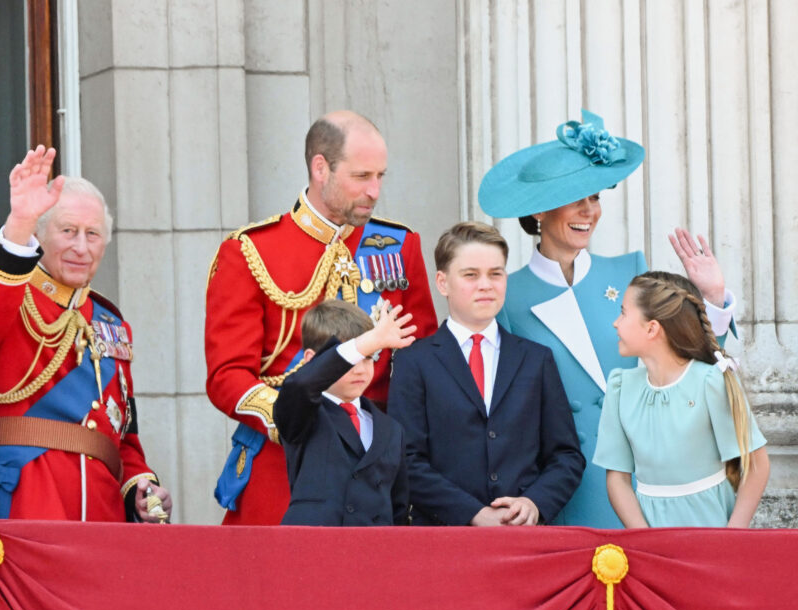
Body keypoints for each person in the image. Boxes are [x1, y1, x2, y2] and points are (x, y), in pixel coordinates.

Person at [478, 109, 736, 528]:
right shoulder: (507, 296)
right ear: (538, 211)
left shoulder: (629, 272)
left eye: (595, 196)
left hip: (650, 479)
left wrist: (711, 298)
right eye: (575, 198)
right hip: (568, 491)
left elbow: (691, 365)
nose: (589, 211)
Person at [206, 110, 439, 525]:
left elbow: (419, 361)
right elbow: (227, 376)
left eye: (381, 176)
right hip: (285, 464)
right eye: (362, 176)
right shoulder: (249, 251)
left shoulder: (399, 246)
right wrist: (296, 423)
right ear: (320, 168)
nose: (375, 190)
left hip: (374, 469)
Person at [0, 146, 171, 522]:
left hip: (100, 517)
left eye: (93, 235)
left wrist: (139, 487)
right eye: (68, 231)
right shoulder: (11, 297)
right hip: (24, 504)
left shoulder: (111, 324)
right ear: (39, 234)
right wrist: (18, 222)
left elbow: (123, 440)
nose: (81, 248)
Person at [388, 222, 584, 526]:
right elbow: (406, 460)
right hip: (445, 537)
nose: (486, 285)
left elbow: (566, 455)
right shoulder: (414, 362)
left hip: (523, 536)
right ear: (442, 283)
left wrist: (534, 503)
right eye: (470, 275)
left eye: (496, 273)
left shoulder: (536, 359)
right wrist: (473, 513)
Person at [593, 271, 769, 527]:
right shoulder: (621, 388)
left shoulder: (711, 382)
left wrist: (734, 534)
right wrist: (643, 538)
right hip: (649, 534)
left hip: (711, 526)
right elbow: (617, 479)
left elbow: (757, 464)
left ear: (652, 328)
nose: (616, 323)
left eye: (623, 313)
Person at [274, 300, 416, 526]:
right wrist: (365, 343)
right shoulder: (303, 412)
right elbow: (302, 385)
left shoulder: (390, 429)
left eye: (369, 357)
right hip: (313, 552)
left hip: (373, 553)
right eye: (349, 361)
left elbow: (397, 509)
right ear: (311, 360)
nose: (360, 368)